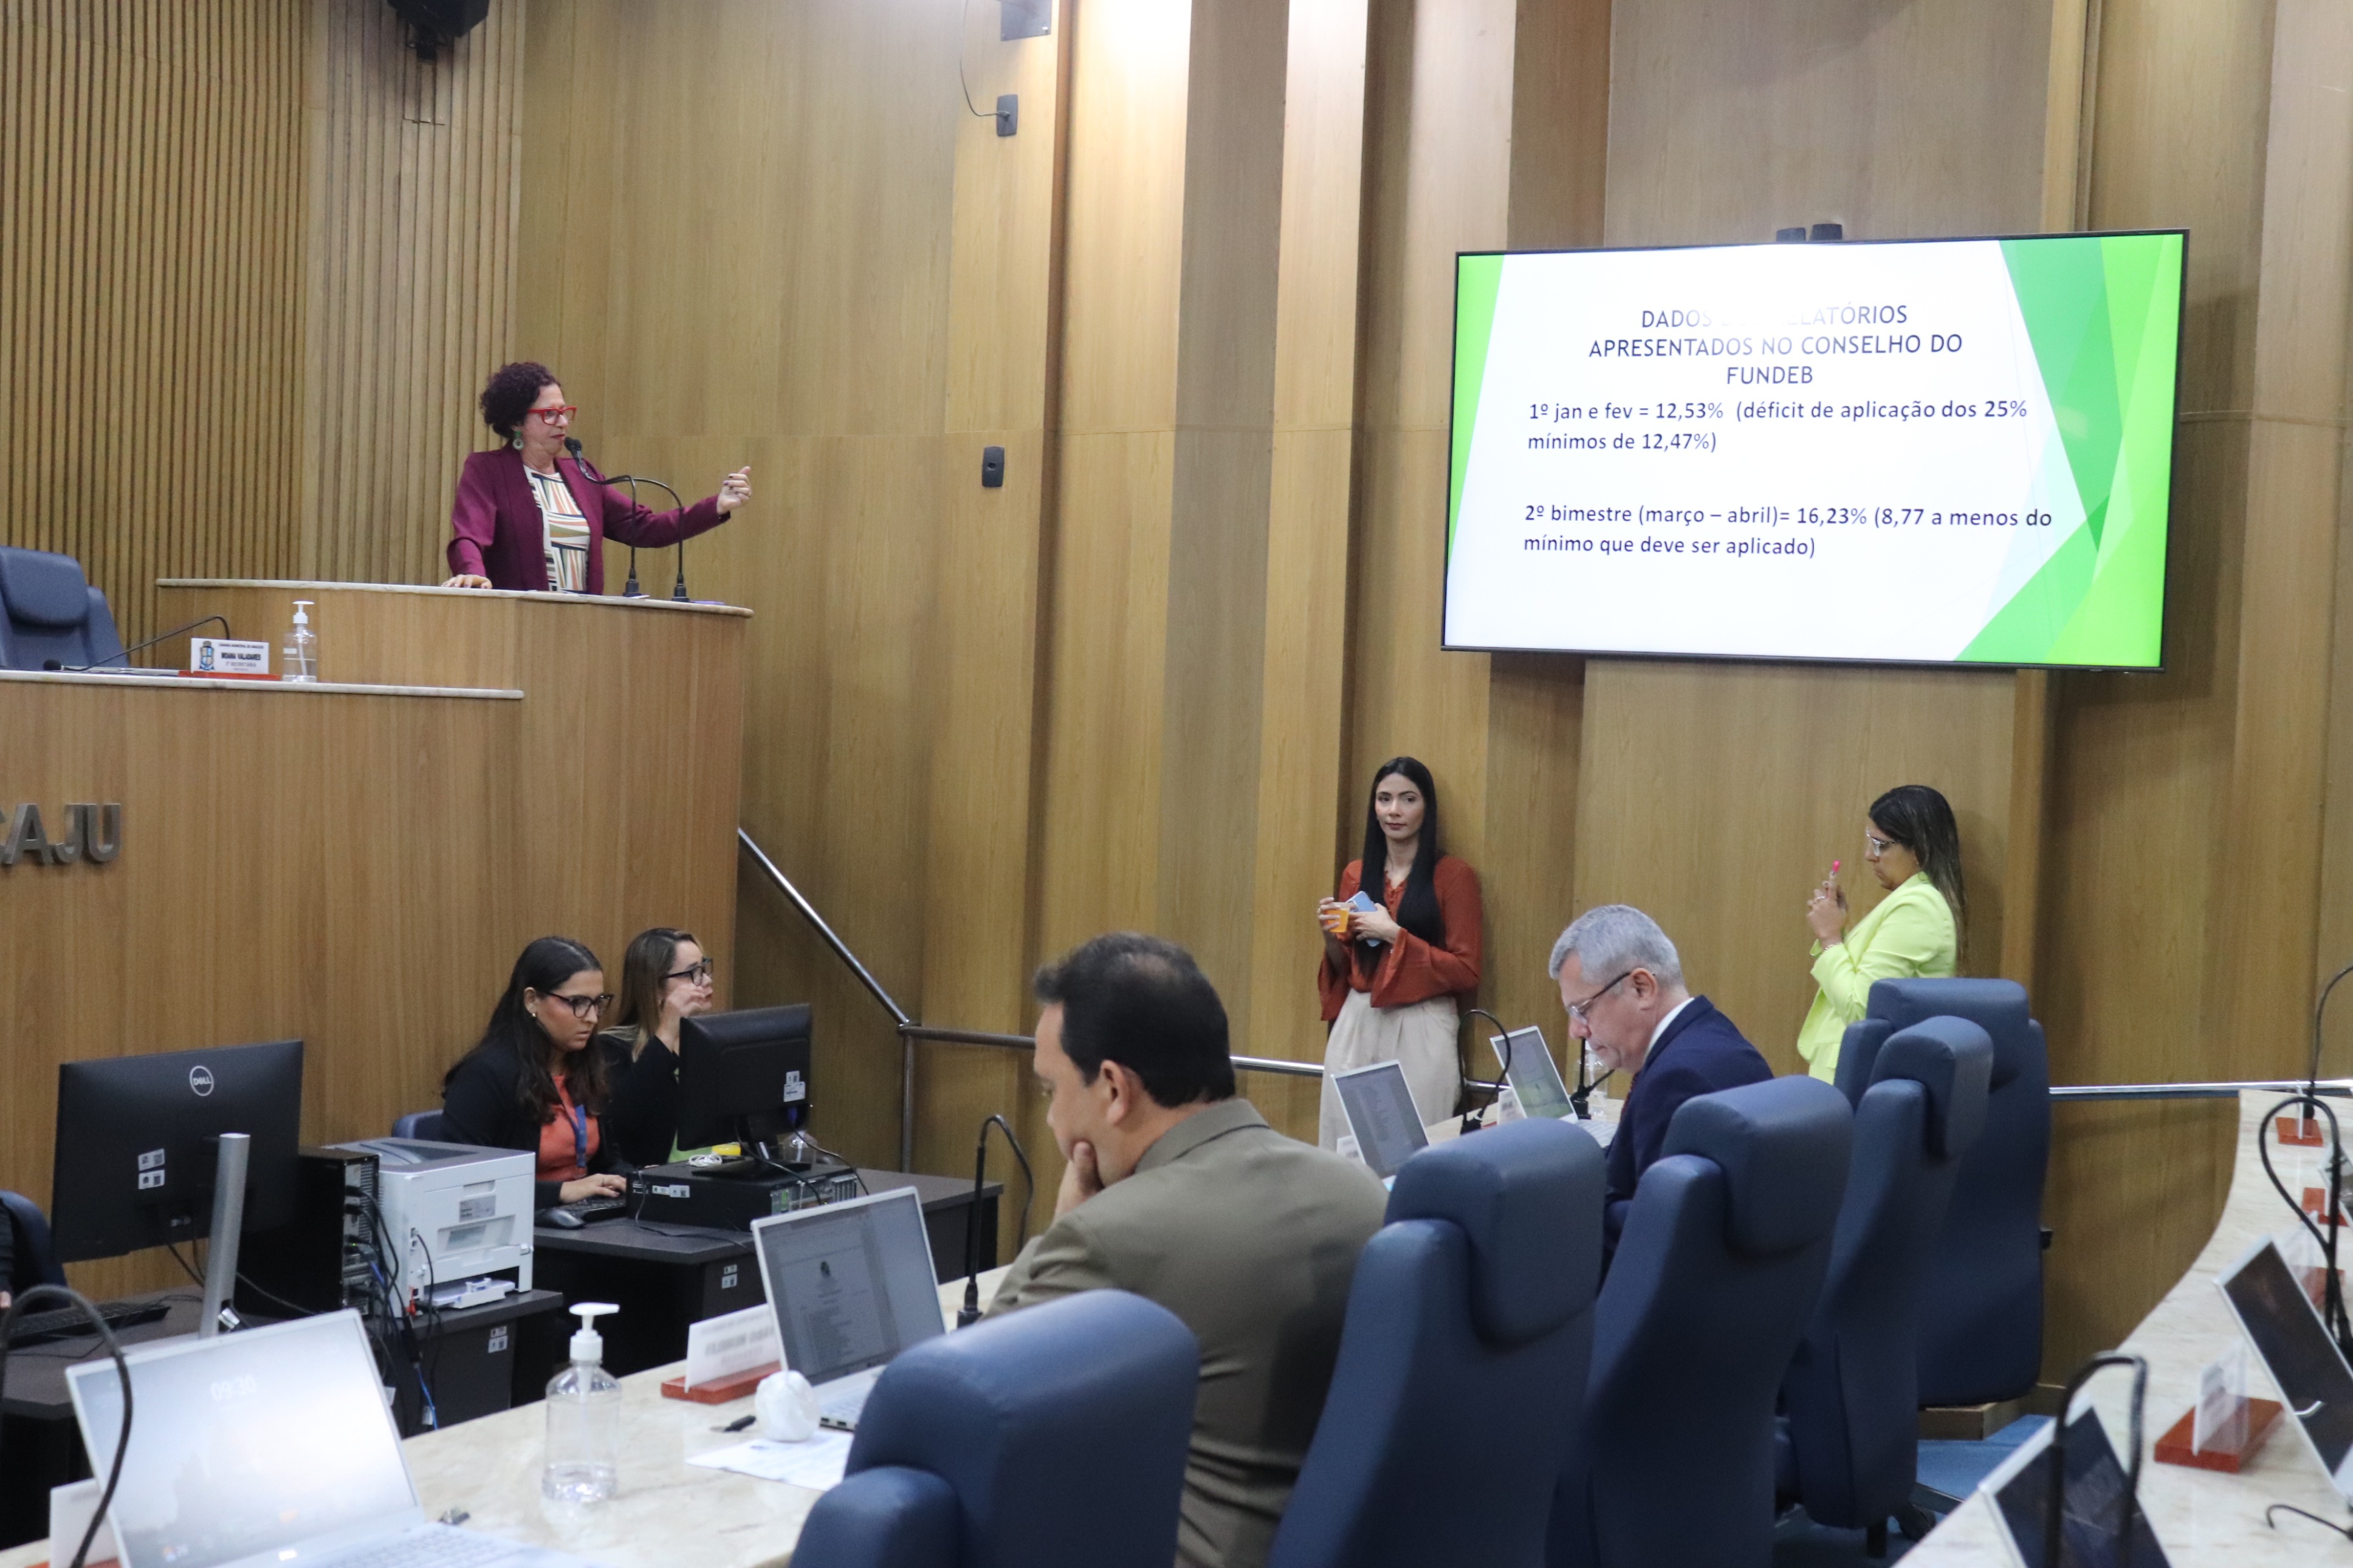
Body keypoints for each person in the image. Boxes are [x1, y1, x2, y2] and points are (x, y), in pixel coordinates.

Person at [988, 933, 1387, 1568]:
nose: (1051, 1121)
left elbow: (969, 1408)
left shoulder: (1109, 1236)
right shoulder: (1361, 1191)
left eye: (1049, 1091)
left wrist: (1064, 1225)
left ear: (1113, 1088)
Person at [1550, 904, 1770, 1258]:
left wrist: (1552, 1202)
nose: (1577, 1030)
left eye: (1583, 1010)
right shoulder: (1715, 1036)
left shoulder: (1678, 1081)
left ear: (1642, 988)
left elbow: (1651, 1234)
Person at [442, 361, 752, 594]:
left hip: (584, 628)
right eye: (549, 414)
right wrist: (472, 572)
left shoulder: (583, 476)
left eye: (565, 412)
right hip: (518, 628)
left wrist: (717, 506)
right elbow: (470, 535)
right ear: (515, 422)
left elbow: (647, 527)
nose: (563, 422)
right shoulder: (488, 470)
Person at [1314, 756, 1483, 1146]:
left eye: (1408, 799)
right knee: (1344, 1143)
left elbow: (1467, 971)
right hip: (1359, 1017)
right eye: (1384, 799)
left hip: (1422, 1022)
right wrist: (1329, 937)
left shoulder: (1454, 876)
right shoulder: (1357, 873)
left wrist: (1395, 935)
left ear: (1427, 807)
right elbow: (1347, 969)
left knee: (1416, 1146)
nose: (1394, 811)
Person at [441, 936, 631, 1210]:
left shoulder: (587, 1064)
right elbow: (466, 1181)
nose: (592, 1017)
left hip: (585, 1214)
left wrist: (632, 1181)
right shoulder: (484, 1075)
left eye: (597, 1002)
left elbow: (607, 1160)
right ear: (532, 1001)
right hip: (524, 1221)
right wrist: (560, 1192)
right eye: (577, 1002)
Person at [1795, 784, 1965, 1083]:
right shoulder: (1909, 900)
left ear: (1919, 850)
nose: (1869, 856)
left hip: (1860, 1079)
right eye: (1870, 841)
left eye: (1880, 845)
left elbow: (1861, 1009)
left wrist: (1831, 938)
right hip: (1852, 1072)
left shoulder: (1918, 907)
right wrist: (1839, 930)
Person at [599, 926, 716, 1166]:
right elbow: (619, 1126)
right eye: (693, 973)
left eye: (704, 968)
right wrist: (667, 1032)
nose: (706, 980)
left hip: (720, 1173)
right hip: (659, 1179)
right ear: (655, 988)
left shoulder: (710, 1043)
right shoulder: (612, 1048)